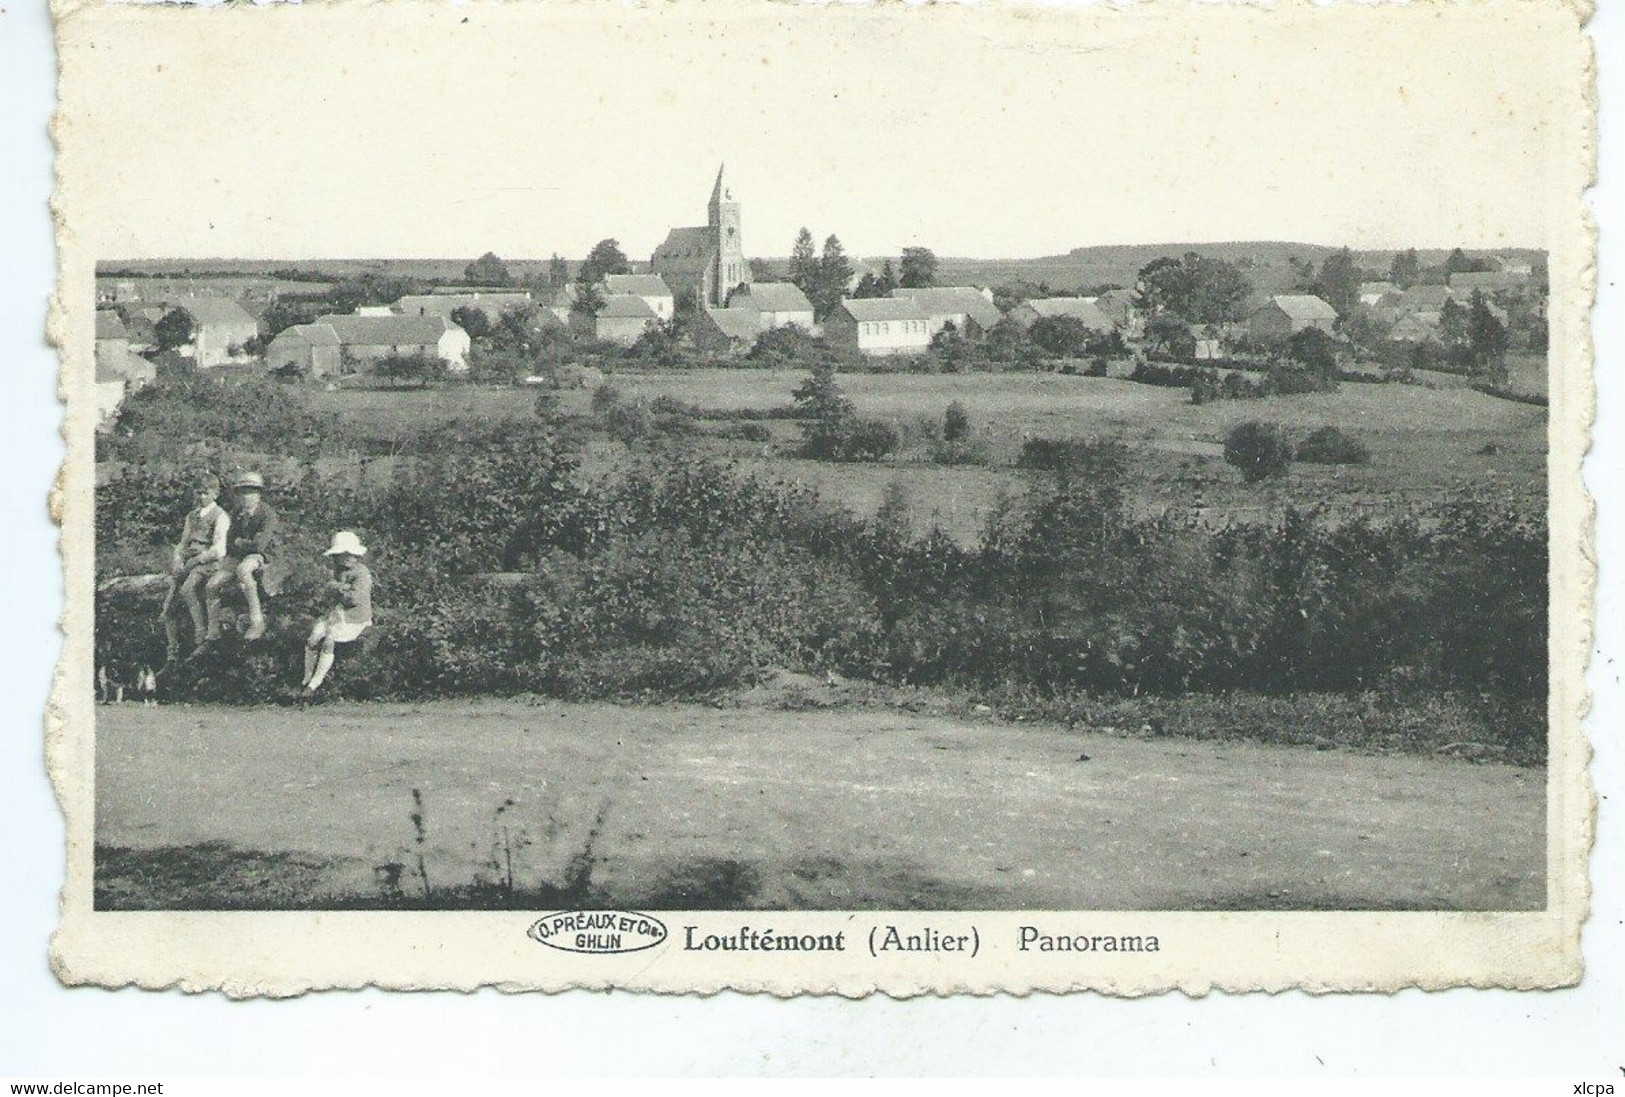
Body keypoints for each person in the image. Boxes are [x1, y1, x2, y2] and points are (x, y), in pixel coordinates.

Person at [159, 472, 230, 667]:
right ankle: (172, 654)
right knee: (169, 609)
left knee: (188, 588)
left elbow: (219, 549)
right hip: (189, 562)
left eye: (206, 493)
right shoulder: (191, 516)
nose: (201, 497)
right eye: (198, 493)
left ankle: (201, 632)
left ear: (215, 494)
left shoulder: (220, 516)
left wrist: (197, 559)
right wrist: (178, 558)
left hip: (207, 563)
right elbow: (182, 543)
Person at [204, 470, 284, 642]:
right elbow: (229, 540)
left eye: (251, 492)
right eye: (243, 492)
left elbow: (259, 545)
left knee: (243, 570)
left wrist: (241, 543)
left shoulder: (267, 514)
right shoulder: (237, 512)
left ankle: (257, 621)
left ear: (259, 494)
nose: (246, 496)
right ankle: (213, 629)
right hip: (240, 555)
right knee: (212, 585)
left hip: (263, 555)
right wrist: (238, 543)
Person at [301, 530, 374, 697]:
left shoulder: (362, 574)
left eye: (349, 554)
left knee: (329, 639)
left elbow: (354, 599)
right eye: (342, 554)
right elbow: (328, 593)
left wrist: (338, 589)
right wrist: (336, 589)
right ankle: (306, 677)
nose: (346, 558)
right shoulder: (338, 571)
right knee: (313, 637)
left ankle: (313, 685)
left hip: (355, 619)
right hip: (337, 614)